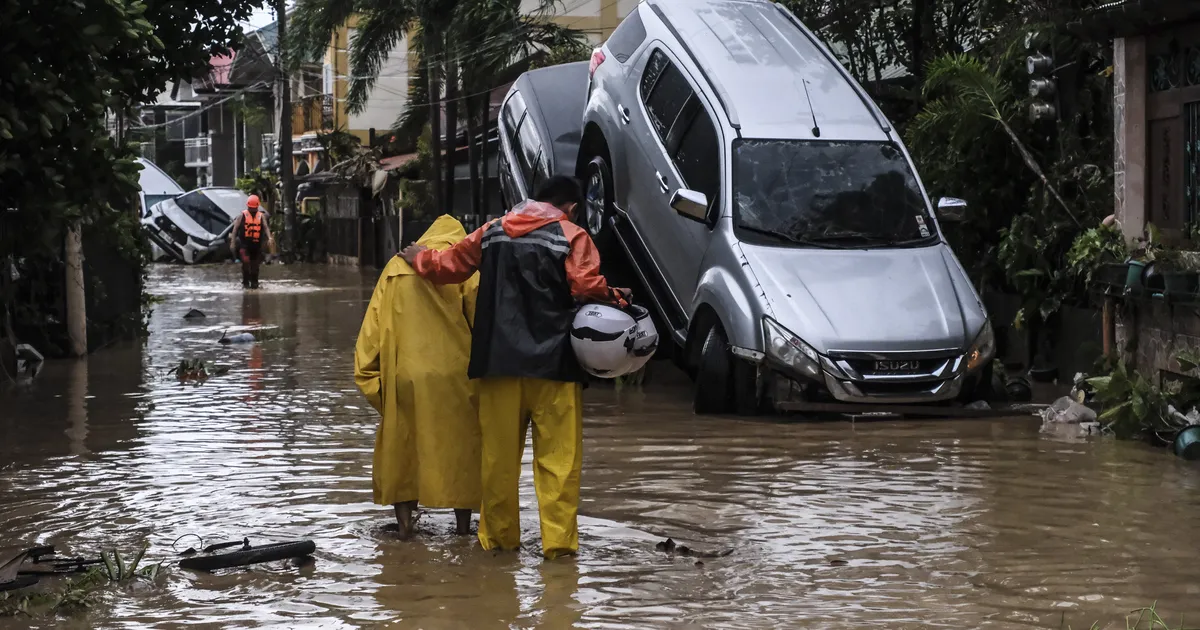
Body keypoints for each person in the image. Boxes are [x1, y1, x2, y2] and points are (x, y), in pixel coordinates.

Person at [400, 175, 628, 559]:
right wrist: (618, 297)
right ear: (571, 207)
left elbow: (448, 266)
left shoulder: (491, 232)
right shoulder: (572, 235)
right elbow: (587, 285)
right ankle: (558, 551)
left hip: (497, 364)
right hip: (555, 367)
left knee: (498, 463)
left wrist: (417, 257)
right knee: (558, 464)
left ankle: (500, 546)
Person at [356, 216, 482, 538]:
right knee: (461, 452)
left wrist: (381, 394)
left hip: (404, 377)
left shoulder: (394, 269)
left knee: (404, 452)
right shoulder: (465, 270)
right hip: (457, 376)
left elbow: (368, 343)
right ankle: (463, 530)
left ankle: (405, 529)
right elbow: (483, 325)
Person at [228, 194, 273, 289]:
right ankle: (245, 283)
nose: (252, 210)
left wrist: (270, 237)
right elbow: (235, 229)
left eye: (254, 208)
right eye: (251, 208)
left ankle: (255, 283)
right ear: (248, 206)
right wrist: (232, 242)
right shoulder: (241, 216)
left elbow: (265, 227)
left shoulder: (261, 216)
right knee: (246, 262)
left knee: (255, 267)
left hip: (256, 245)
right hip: (245, 245)